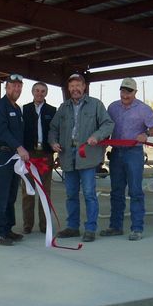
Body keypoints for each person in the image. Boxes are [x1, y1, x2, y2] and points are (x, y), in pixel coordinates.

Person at [48, 73, 114, 242]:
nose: (75, 89)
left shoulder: (96, 105)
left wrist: (96, 136)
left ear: (84, 87)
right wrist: (53, 142)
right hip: (68, 157)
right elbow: (53, 128)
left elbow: (108, 124)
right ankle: (72, 227)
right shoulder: (63, 107)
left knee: (89, 194)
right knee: (70, 194)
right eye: (72, 86)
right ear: (68, 88)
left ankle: (90, 228)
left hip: (88, 157)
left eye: (78, 85)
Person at [101, 77, 153, 241]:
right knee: (116, 191)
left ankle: (137, 228)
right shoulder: (112, 107)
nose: (125, 94)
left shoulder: (143, 109)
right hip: (116, 153)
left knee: (135, 191)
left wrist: (147, 134)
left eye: (129, 91)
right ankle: (115, 226)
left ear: (135, 92)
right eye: (123, 90)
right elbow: (106, 127)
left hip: (134, 153)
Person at [0, 73, 29, 246]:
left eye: (19, 86)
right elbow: (2, 131)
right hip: (4, 155)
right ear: (6, 87)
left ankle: (7, 228)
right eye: (13, 85)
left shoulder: (17, 108)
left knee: (12, 194)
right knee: (1, 194)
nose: (17, 89)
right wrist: (19, 147)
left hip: (15, 157)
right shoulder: (0, 106)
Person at [21, 82, 57, 234]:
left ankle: (44, 225)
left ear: (46, 93)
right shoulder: (24, 109)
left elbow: (56, 132)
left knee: (45, 191)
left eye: (43, 91)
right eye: (37, 90)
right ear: (32, 92)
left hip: (46, 155)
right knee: (28, 191)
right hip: (29, 154)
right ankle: (28, 225)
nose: (40, 93)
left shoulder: (53, 111)